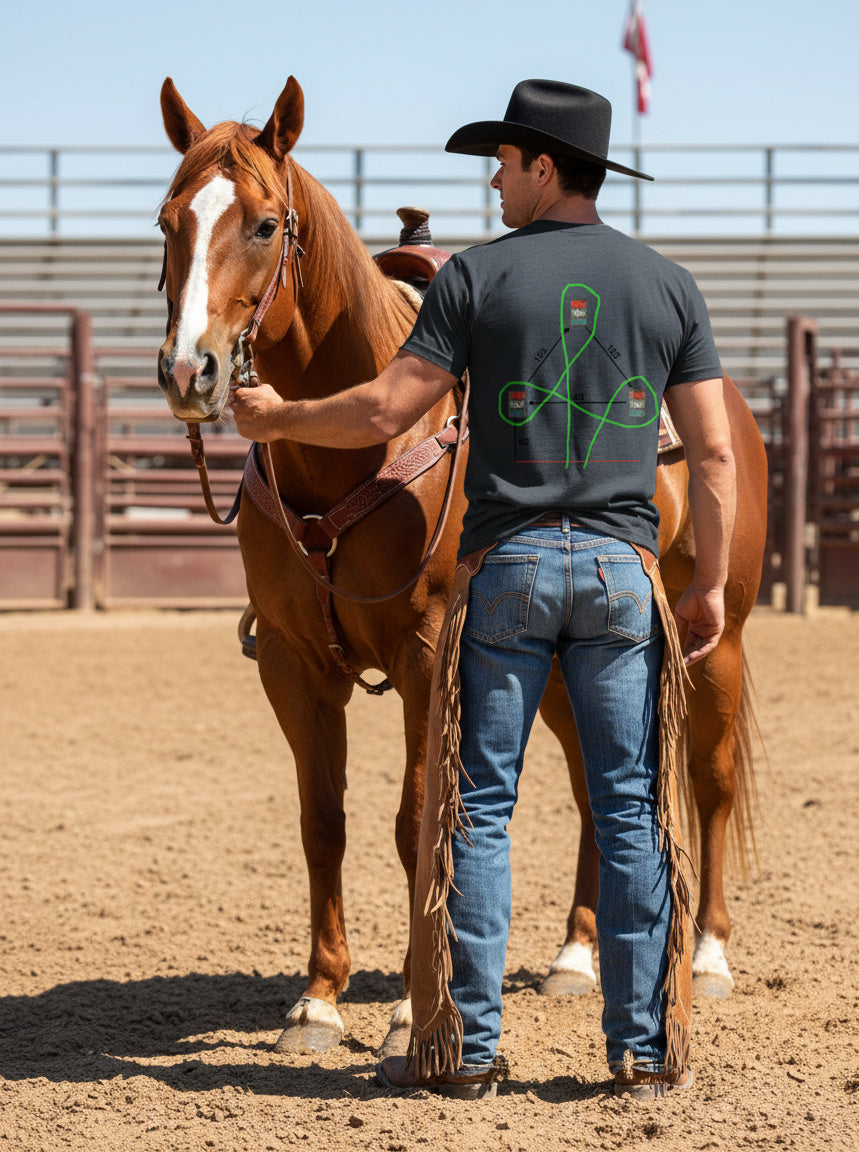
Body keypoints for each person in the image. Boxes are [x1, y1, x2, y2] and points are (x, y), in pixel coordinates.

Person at [230, 78, 736, 1102]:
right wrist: (710, 586)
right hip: (618, 572)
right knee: (631, 811)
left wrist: (278, 419)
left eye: (501, 164)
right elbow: (716, 457)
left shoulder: (472, 281)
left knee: (474, 814)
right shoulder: (667, 286)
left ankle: (464, 1050)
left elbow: (380, 412)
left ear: (543, 168)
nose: (494, 182)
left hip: (504, 569)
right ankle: (638, 1051)